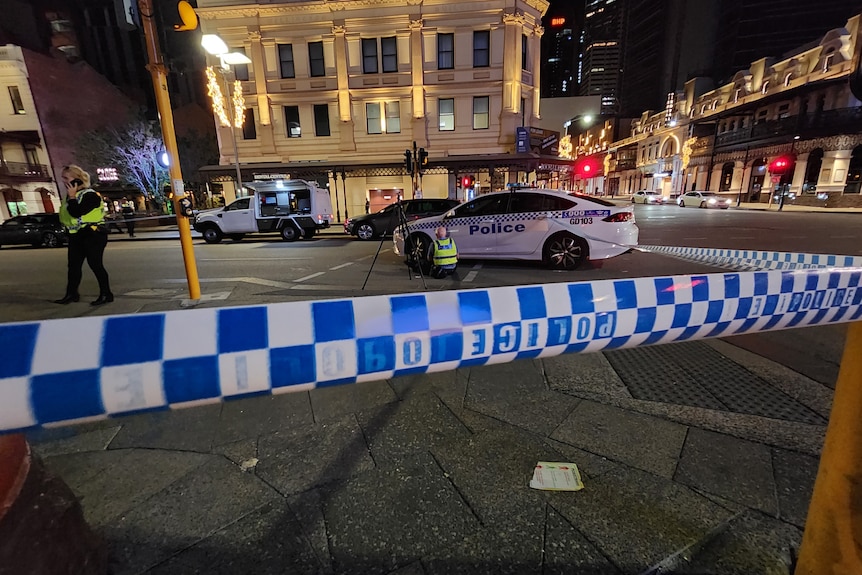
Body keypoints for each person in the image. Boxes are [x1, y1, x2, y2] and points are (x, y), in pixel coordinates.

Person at [54, 165, 114, 305]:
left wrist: (73, 197)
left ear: (77, 179)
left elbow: (77, 212)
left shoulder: (90, 195)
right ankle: (71, 294)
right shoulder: (68, 197)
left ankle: (106, 294)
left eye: (66, 178)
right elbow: (66, 216)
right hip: (76, 235)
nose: (63, 181)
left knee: (95, 264)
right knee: (73, 266)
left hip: (93, 234)